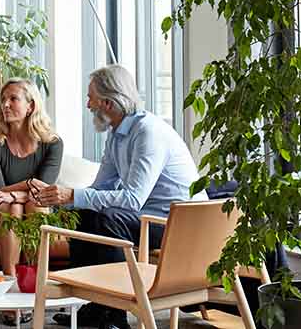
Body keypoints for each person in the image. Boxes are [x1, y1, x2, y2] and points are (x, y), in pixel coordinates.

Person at [32, 65, 206, 329]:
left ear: (108, 102)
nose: (88, 104)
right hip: (151, 218)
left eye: (90, 97)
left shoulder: (148, 133)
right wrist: (64, 201)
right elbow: (100, 188)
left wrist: (73, 194)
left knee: (110, 219)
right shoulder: (117, 134)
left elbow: (133, 199)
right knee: (85, 212)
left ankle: (115, 314)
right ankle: (92, 305)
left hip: (181, 224)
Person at [0, 79, 63, 326]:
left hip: (36, 205)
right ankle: (11, 287)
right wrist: (25, 188)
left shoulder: (52, 143)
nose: (5, 104)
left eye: (13, 98)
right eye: (3, 99)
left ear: (31, 105)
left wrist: (15, 193)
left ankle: (34, 286)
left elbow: (43, 191)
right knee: (10, 207)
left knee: (35, 205)